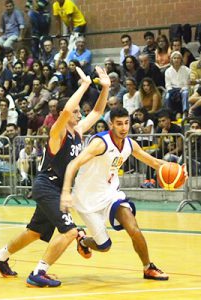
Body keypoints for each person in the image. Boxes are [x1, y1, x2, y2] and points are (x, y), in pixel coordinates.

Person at [0, 66, 111, 288]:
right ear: (65, 112)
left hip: (55, 189)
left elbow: (97, 112)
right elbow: (65, 113)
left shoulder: (78, 131)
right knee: (71, 231)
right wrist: (83, 86)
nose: (79, 113)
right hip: (48, 186)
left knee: (34, 232)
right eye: (75, 111)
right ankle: (38, 273)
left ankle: (0, 256)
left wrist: (106, 88)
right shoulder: (57, 132)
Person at [60, 107, 170, 281]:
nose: (124, 128)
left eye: (126, 123)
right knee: (104, 246)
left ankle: (148, 267)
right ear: (111, 124)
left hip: (111, 194)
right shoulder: (100, 143)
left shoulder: (129, 144)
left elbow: (155, 162)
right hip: (86, 199)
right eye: (119, 124)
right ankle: (82, 240)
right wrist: (66, 192)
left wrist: (177, 169)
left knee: (133, 228)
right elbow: (73, 164)